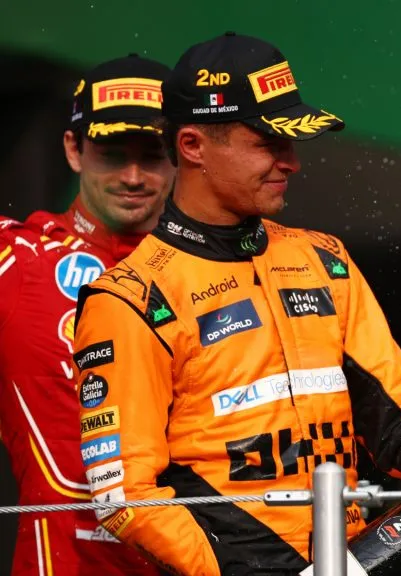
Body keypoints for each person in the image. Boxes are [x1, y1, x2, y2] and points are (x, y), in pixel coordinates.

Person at [71, 32, 401, 576]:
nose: (292, 163)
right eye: (268, 142)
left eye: (292, 143)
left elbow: (399, 420)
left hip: (355, 558)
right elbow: (125, 495)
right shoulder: (130, 298)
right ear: (192, 145)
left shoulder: (323, 259)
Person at [0, 54, 172, 575]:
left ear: (184, 155)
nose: (134, 175)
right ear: (74, 150)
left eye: (153, 154)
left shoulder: (219, 275)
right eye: (113, 153)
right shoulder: (14, 261)